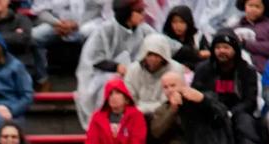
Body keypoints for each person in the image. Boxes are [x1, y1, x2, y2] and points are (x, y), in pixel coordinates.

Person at [75, 0, 153, 129]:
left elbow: (163, 44)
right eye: (138, 12)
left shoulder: (143, 29)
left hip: (135, 73)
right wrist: (116, 67)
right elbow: (93, 58)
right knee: (112, 82)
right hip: (102, 76)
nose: (143, 15)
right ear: (127, 13)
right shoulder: (105, 30)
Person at [192, 29, 262, 144]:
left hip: (237, 112)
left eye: (226, 47)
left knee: (245, 121)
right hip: (211, 111)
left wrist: (230, 113)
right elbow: (197, 94)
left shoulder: (246, 70)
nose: (221, 51)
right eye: (218, 47)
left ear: (235, 49)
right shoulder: (203, 69)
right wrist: (216, 110)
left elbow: (250, 101)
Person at [85, 78, 146, 144]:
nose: (113, 97)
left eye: (117, 93)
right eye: (110, 94)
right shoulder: (97, 117)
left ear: (126, 98)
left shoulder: (136, 116)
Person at [31, 0, 107, 71]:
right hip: (58, 24)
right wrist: (59, 24)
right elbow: (40, 11)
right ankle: (43, 78)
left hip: (90, 23)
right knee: (34, 36)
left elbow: (105, 14)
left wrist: (78, 24)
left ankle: (95, 74)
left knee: (89, 31)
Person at [124, 33, 185, 116]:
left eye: (157, 55)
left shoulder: (176, 69)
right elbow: (128, 96)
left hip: (164, 114)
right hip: (135, 114)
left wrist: (143, 109)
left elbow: (170, 99)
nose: (152, 59)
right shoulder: (132, 69)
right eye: (149, 54)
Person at [233, 0, 269, 74]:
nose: (253, 9)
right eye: (250, 5)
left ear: (264, 9)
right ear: (245, 6)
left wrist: (246, 44)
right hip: (241, 75)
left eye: (257, 6)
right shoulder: (235, 28)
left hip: (266, 74)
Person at [161, 4, 208, 70]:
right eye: (174, 22)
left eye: (182, 22)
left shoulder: (198, 37)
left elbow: (207, 56)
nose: (178, 26)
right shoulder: (166, 39)